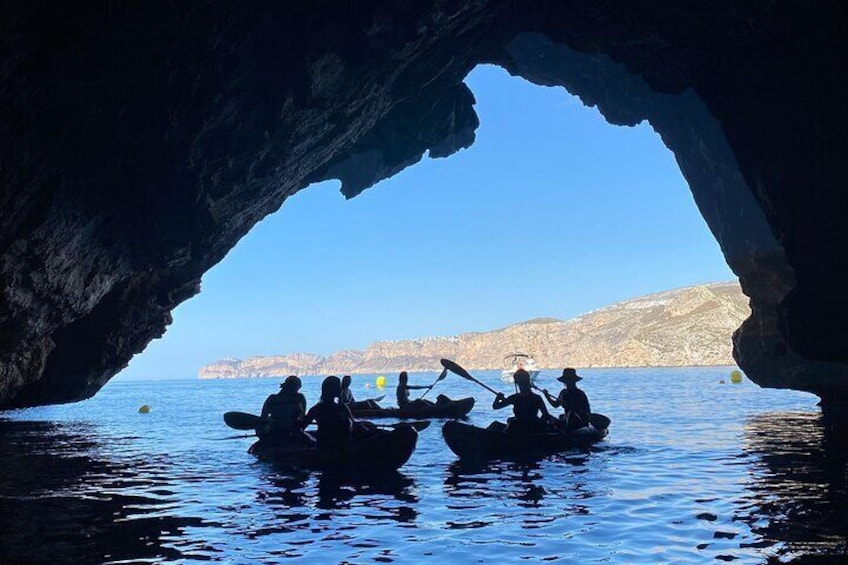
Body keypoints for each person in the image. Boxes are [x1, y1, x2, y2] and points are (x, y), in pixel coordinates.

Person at [303, 376, 354, 450]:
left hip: (325, 447)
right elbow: (353, 425)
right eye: (338, 386)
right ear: (332, 389)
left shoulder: (316, 409)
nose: (340, 389)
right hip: (343, 450)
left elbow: (301, 428)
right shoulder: (342, 408)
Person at [492, 369, 551, 433]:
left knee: (498, 425)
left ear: (517, 383)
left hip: (519, 427)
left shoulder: (514, 398)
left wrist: (497, 398)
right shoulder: (537, 398)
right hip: (534, 427)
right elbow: (546, 415)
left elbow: (496, 406)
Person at [259, 375, 309, 444]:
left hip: (274, 432)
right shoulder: (299, 398)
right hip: (292, 433)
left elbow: (263, 418)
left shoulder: (272, 399)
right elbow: (303, 418)